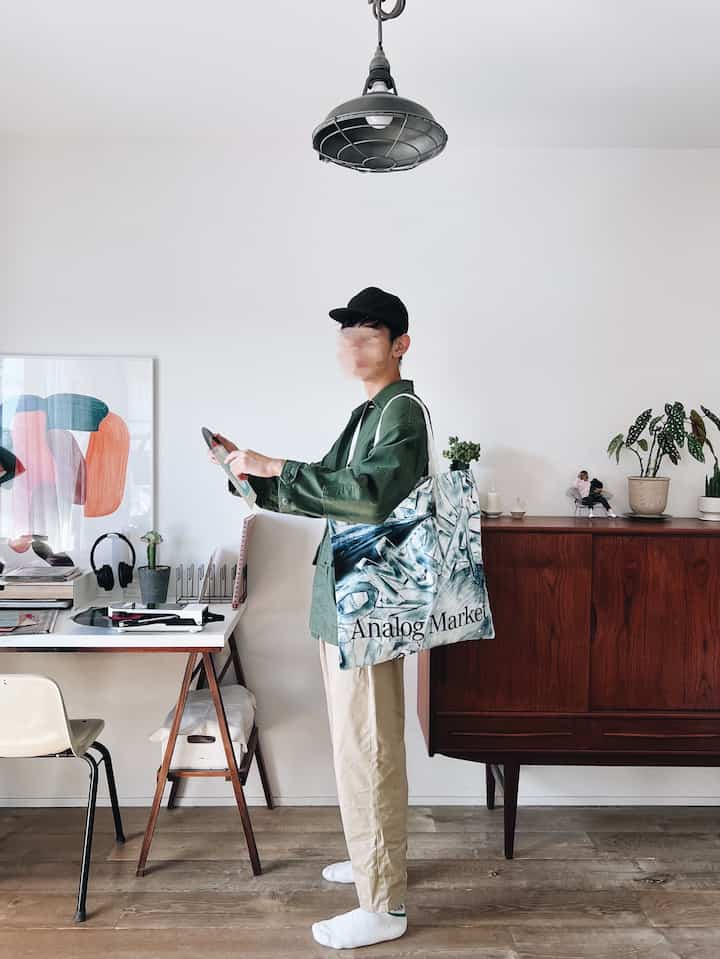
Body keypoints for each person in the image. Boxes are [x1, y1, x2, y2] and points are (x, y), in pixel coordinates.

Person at [209, 286, 430, 950]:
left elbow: (362, 498)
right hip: (347, 603)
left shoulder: (402, 413)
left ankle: (383, 903)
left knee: (368, 749)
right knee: (361, 746)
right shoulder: (368, 413)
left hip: (365, 603)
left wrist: (273, 465)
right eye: (346, 336)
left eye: (367, 336)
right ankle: (373, 864)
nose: (352, 347)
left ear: (400, 345)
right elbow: (323, 486)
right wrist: (246, 472)